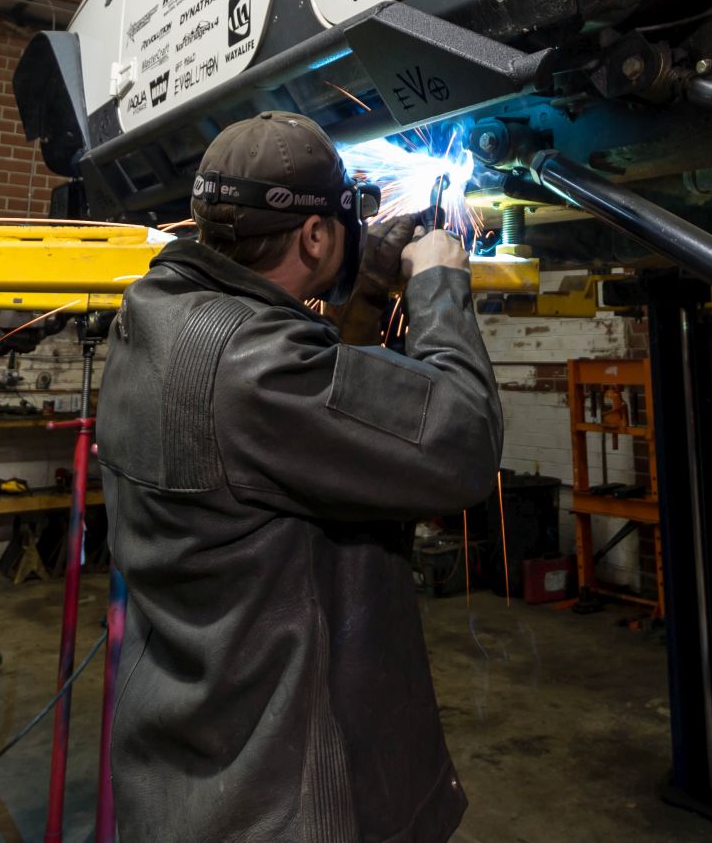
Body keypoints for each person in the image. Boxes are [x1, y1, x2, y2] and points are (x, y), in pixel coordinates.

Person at [95, 110, 503, 843]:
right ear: (315, 236)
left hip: (182, 768)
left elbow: (317, 409)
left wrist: (370, 288)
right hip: (285, 803)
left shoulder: (153, 319)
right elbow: (463, 442)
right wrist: (440, 288)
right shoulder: (255, 374)